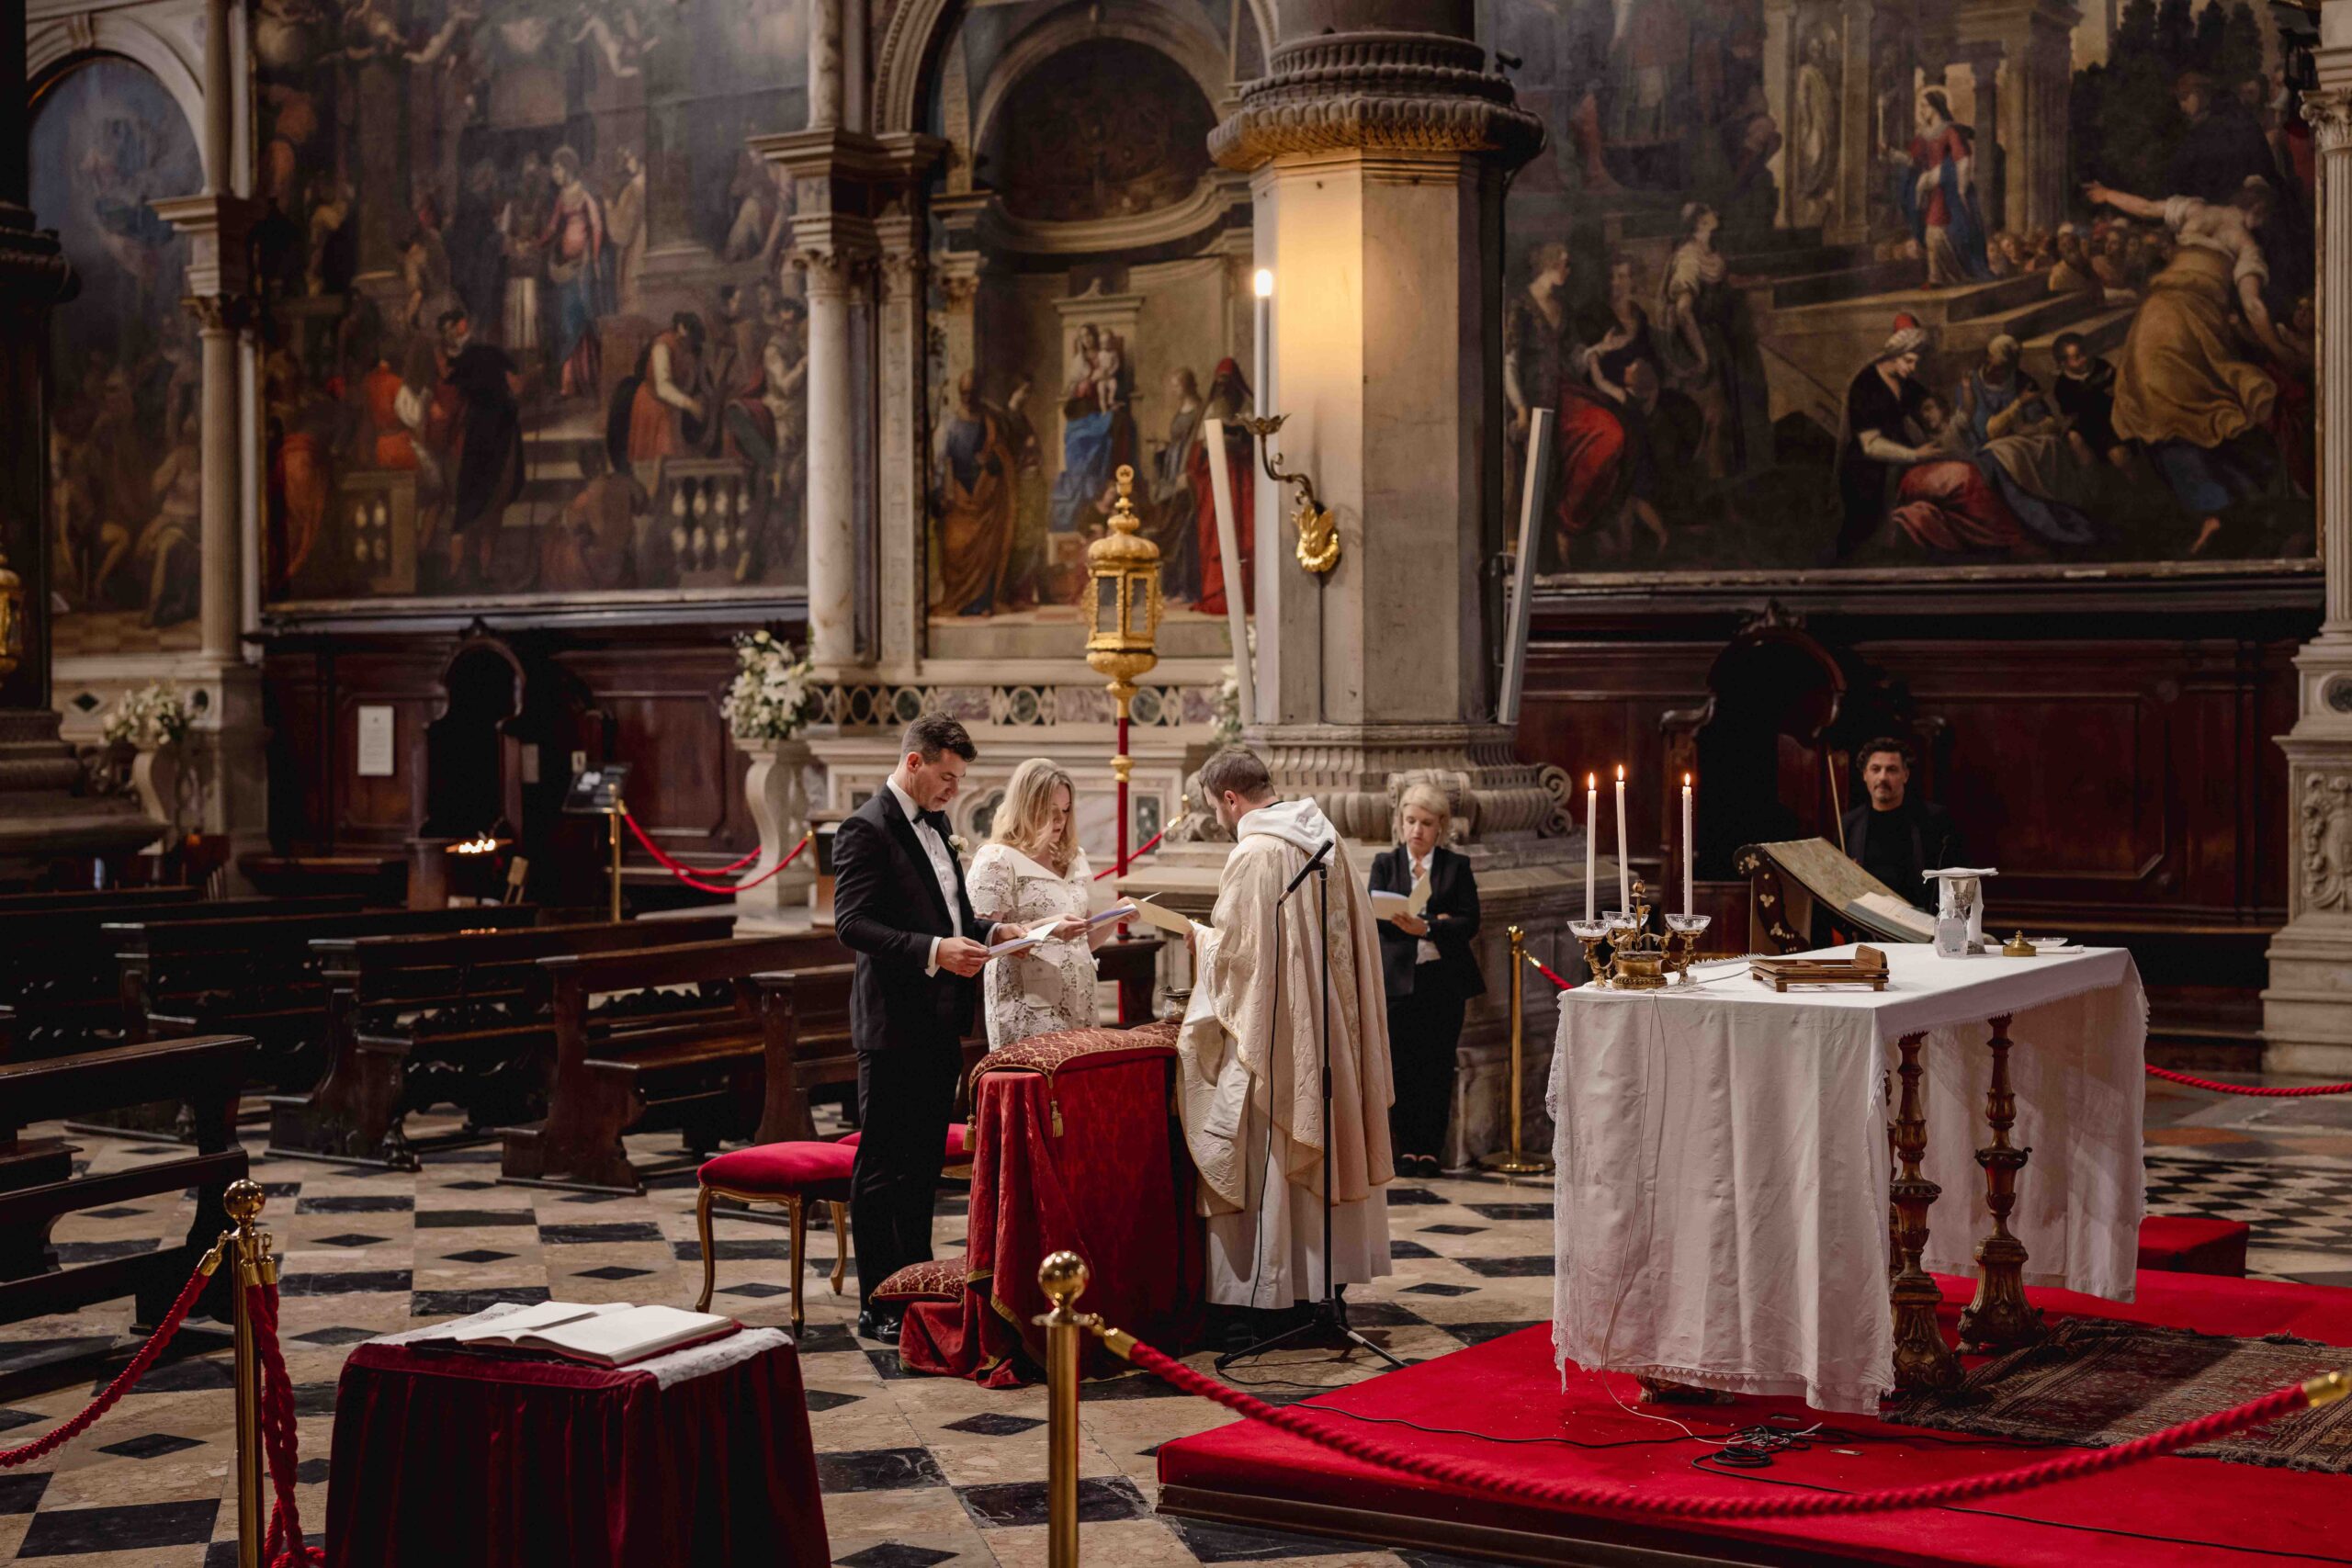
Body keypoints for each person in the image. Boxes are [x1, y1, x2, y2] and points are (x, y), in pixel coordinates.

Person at [1176, 747, 1394, 1326]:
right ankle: (1324, 1286)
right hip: (1332, 1036)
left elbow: (1242, 959)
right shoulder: (1324, 837)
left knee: (1269, 1153)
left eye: (1214, 807)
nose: (1218, 818)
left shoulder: (1257, 853)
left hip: (1281, 1039)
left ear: (1229, 799)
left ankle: (1277, 1301)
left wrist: (1200, 940)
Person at [831, 716, 1023, 1342]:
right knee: (882, 1166)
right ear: (914, 762)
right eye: (946, 776)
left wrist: (995, 931)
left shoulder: (937, 825)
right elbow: (852, 924)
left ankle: (912, 1289)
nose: (953, 789)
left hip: (939, 1022)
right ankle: (877, 1302)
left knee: (919, 1169)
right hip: (892, 1024)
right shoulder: (866, 828)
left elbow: (952, 913)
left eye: (959, 778)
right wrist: (936, 950)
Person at [2084, 175, 2299, 554]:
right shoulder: (2245, 243)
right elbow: (2253, 307)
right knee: (2171, 411)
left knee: (2160, 408)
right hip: (2193, 322)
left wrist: (2105, 195)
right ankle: (2228, 497)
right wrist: (2281, 352)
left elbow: (2146, 207)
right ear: (2258, 210)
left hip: (2160, 316)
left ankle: (2219, 504)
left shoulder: (2195, 210)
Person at [1368, 784, 1482, 1179]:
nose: (1417, 830)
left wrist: (1429, 926)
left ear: (1441, 827)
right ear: (1400, 823)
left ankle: (1429, 1150)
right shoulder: (1386, 864)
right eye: (1411, 821)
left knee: (1437, 1064)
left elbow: (1469, 922)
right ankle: (1406, 1149)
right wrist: (1433, 922)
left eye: (1426, 823)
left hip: (1442, 981)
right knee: (1401, 1065)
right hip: (1398, 981)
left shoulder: (1455, 866)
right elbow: (1375, 916)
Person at [966, 759, 1110, 1049]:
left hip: (1080, 1000)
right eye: (1050, 811)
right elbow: (982, 943)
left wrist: (1117, 917)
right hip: (1027, 1006)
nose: (1060, 820)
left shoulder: (1074, 858)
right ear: (1026, 806)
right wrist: (1046, 927)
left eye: (1066, 810)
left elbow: (1084, 941)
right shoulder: (997, 859)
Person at [1832, 313, 1936, 558]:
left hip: (1899, 468)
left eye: (1916, 362)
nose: (1913, 368)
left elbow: (1930, 408)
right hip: (1867, 471)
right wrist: (1914, 454)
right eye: (1909, 361)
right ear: (1894, 355)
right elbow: (1870, 445)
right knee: (1861, 539)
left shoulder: (1906, 382)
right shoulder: (1866, 385)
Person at [1840, 737, 1967, 912]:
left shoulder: (1934, 820)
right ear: (1865, 775)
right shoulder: (1849, 824)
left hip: (1919, 918)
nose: (1882, 777)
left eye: (1891, 770)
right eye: (1875, 769)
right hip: (1866, 920)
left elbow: (1956, 882)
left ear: (1905, 775)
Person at [930, 370, 1018, 615]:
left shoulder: (991, 422)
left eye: (972, 393)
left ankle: (982, 603)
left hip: (986, 496)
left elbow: (1004, 455)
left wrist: (993, 461)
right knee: (956, 548)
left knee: (986, 551)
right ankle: (958, 600)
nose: (968, 398)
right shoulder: (949, 425)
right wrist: (938, 493)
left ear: (979, 393)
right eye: (964, 393)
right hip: (959, 495)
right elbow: (939, 462)